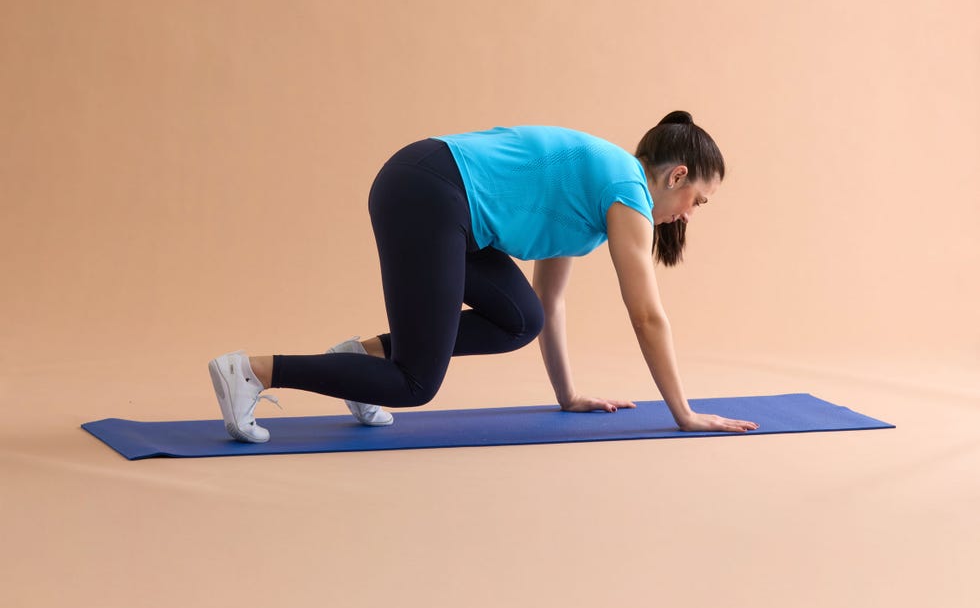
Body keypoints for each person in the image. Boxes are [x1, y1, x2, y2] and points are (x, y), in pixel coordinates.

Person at [208, 110, 758, 443]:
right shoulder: (627, 191)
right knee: (416, 383)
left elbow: (550, 303)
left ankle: (362, 357)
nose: (687, 215)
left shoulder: (599, 196)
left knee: (522, 318)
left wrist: (568, 397)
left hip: (445, 205)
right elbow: (646, 316)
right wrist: (682, 414)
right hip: (428, 191)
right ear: (677, 175)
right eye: (696, 201)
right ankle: (252, 371)